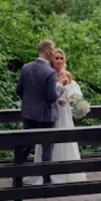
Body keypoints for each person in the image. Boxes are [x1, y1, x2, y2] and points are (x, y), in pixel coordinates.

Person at [25, 49, 87, 185]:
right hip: (50, 112)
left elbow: (74, 94)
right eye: (57, 58)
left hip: (64, 113)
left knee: (65, 140)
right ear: (52, 60)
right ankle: (46, 174)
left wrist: (71, 101)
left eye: (61, 58)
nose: (59, 61)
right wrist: (57, 99)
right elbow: (47, 94)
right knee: (47, 142)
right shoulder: (49, 75)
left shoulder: (67, 76)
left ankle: (67, 171)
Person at [16, 39, 63, 184]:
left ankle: (16, 178)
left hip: (29, 115)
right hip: (46, 116)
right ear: (49, 52)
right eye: (54, 50)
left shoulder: (26, 68)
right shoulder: (49, 72)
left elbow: (19, 91)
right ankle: (46, 180)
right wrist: (60, 88)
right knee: (46, 149)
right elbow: (51, 97)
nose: (54, 52)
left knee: (25, 147)